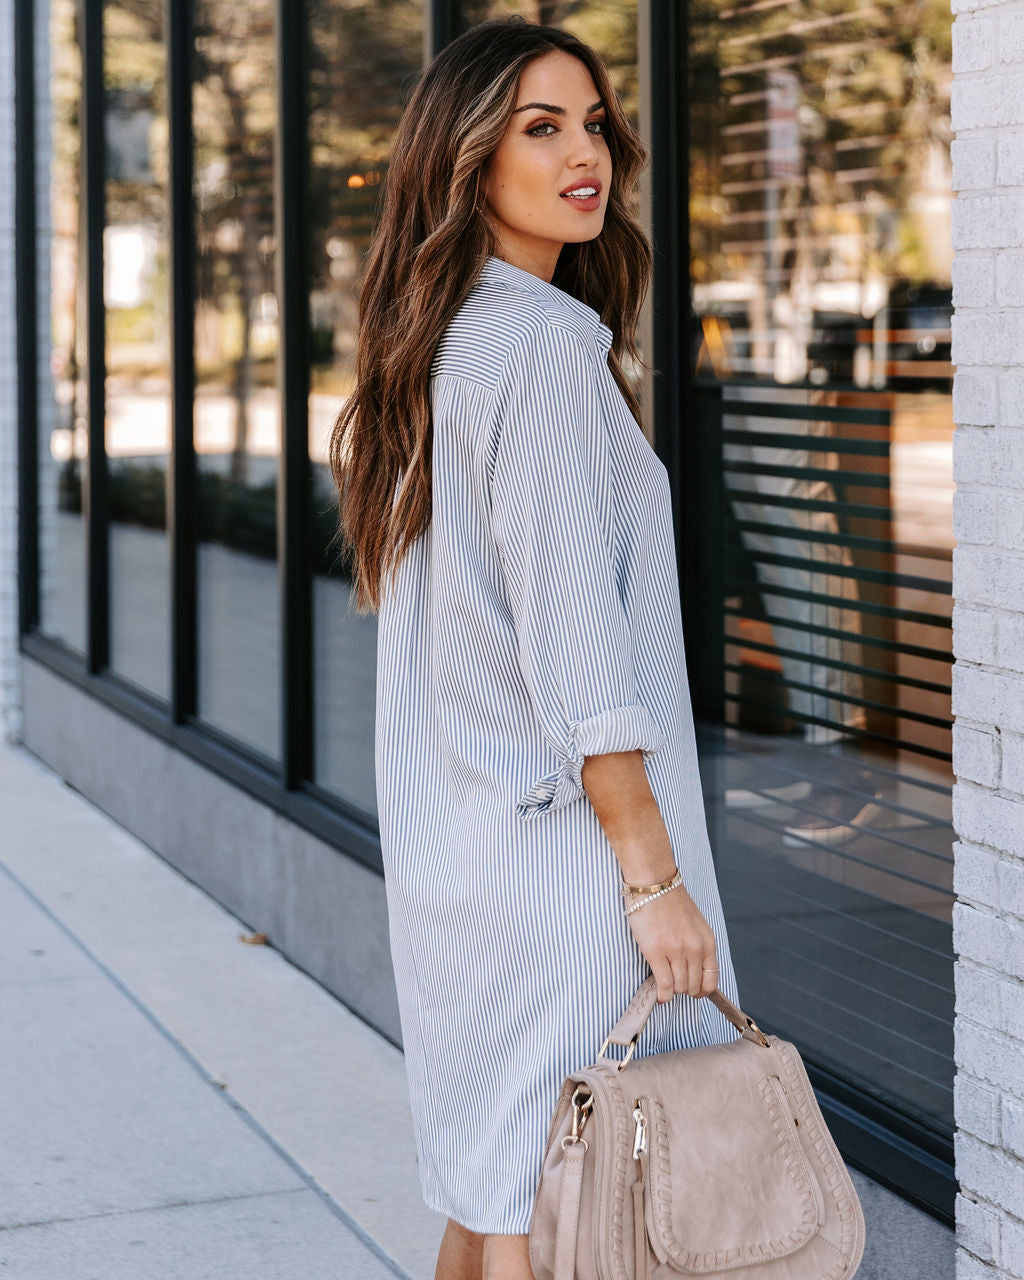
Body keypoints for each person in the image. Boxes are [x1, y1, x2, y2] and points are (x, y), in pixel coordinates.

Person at [329, 18, 742, 1280]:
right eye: (539, 126)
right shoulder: (541, 352)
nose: (587, 155)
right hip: (567, 868)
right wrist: (654, 880)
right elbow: (580, 653)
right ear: (467, 158)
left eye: (594, 124)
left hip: (464, 852)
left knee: (492, 1190)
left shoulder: (436, 339)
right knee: (557, 1216)